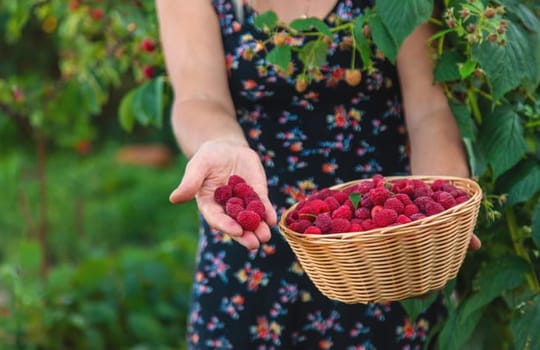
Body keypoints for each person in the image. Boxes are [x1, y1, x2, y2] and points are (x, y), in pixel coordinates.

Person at [155, 0, 481, 348]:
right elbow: (198, 98)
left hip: (384, 254)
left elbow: (428, 109)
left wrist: (436, 207)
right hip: (254, 251)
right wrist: (221, 144)